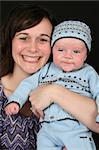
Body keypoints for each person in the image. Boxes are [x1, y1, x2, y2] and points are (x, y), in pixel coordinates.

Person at [5, 20, 99, 150]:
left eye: (76, 52)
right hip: (47, 130)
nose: (68, 56)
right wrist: (15, 101)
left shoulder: (89, 73)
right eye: (61, 50)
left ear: (86, 55)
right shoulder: (47, 69)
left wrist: (53, 92)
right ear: (53, 50)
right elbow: (27, 84)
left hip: (75, 131)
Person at [0, 3, 55, 149]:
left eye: (43, 39)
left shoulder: (63, 90)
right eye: (24, 38)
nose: (33, 48)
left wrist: (56, 92)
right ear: (9, 40)